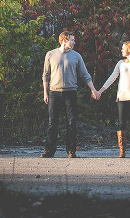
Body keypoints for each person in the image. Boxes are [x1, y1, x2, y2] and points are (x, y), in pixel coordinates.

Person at [41, 30, 99, 158]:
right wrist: (45, 93)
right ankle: (49, 150)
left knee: (71, 122)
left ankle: (71, 150)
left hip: (70, 92)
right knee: (52, 122)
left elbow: (85, 74)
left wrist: (93, 89)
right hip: (54, 92)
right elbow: (46, 75)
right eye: (72, 40)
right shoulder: (50, 54)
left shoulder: (76, 56)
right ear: (64, 40)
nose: (74, 42)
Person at [96, 40, 130, 159]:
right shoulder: (121, 63)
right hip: (122, 97)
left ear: (129, 49)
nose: (121, 50)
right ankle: (122, 150)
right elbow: (112, 78)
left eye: (123, 48)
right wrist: (100, 91)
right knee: (121, 123)